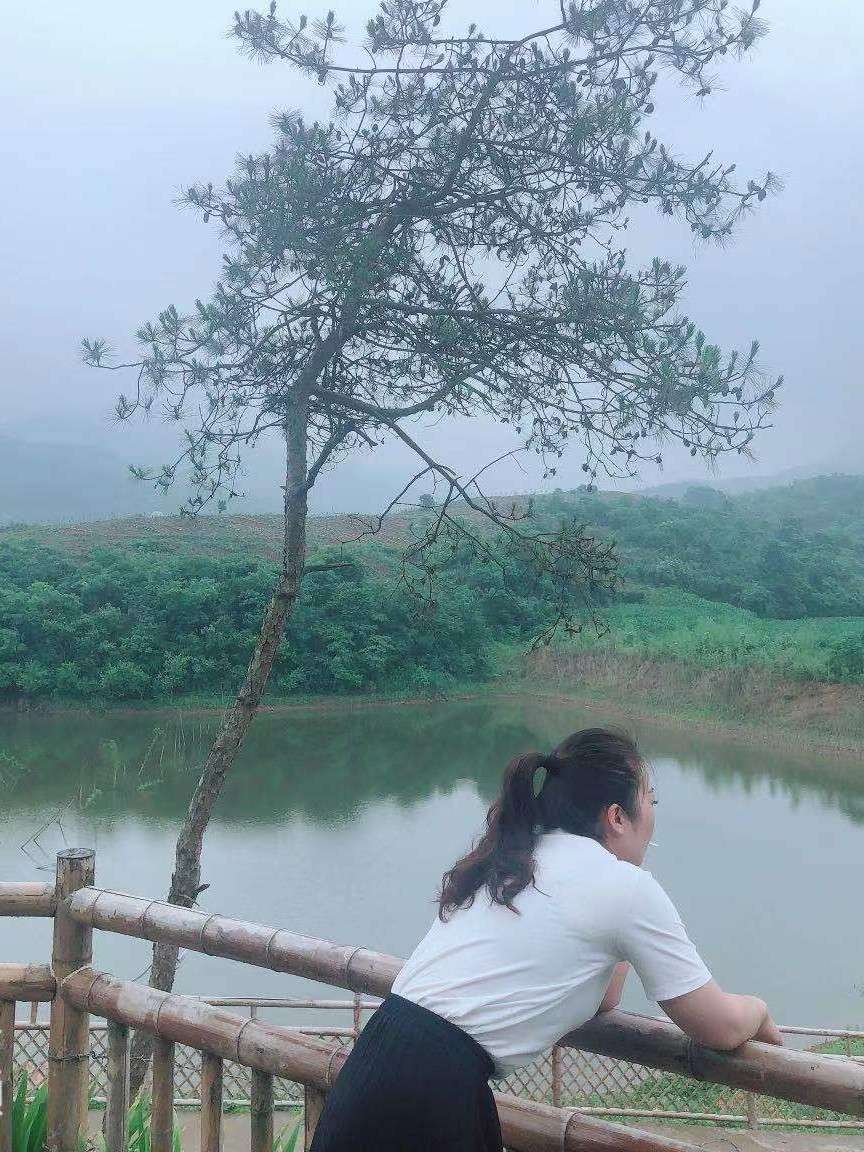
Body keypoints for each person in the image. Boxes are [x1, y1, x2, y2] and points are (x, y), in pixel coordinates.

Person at [310, 728, 782, 1152]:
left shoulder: (515, 855)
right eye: (651, 800)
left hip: (375, 1062)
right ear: (618, 816)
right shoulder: (623, 888)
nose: (654, 815)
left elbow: (602, 997)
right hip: (433, 1095)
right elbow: (719, 1026)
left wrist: (625, 904)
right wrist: (758, 1010)